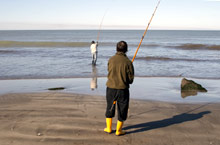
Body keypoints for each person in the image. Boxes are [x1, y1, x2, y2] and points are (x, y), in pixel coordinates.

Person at [104, 41, 134, 136]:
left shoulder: (111, 59)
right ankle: (118, 130)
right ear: (126, 50)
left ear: (117, 49)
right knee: (122, 109)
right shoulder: (128, 62)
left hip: (111, 88)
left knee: (110, 107)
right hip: (123, 90)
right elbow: (130, 80)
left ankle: (109, 128)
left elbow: (109, 71)